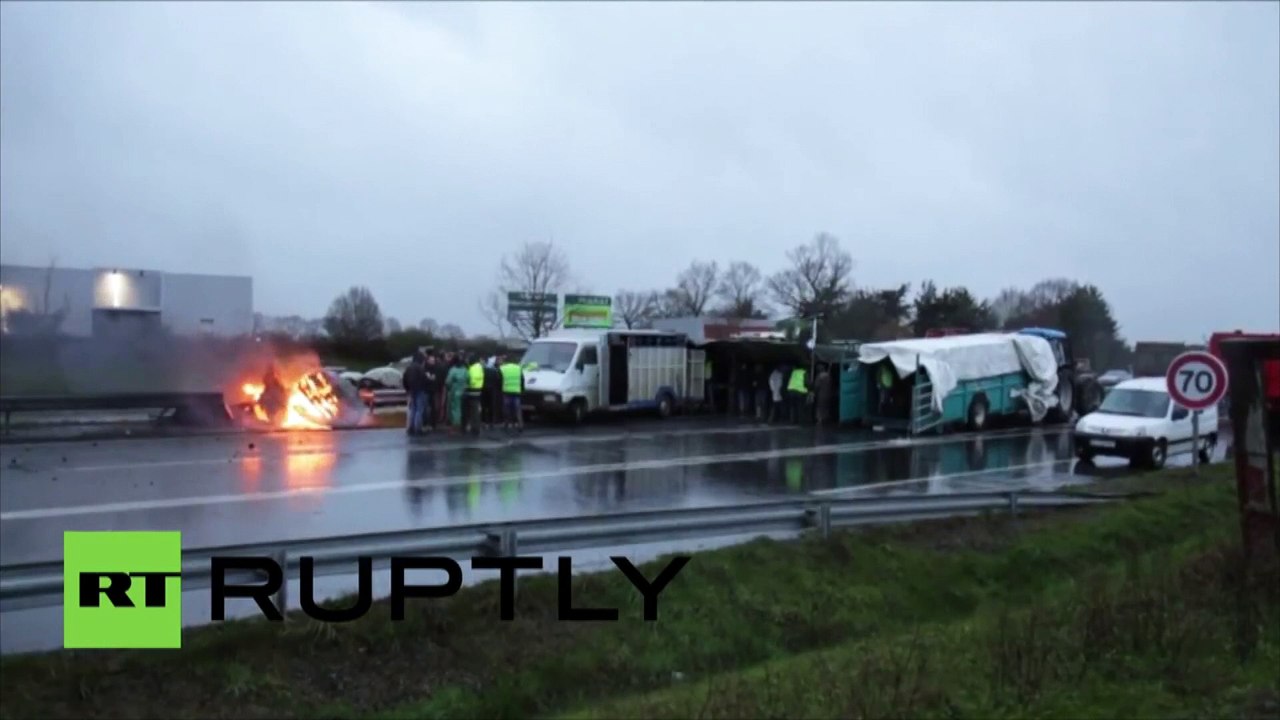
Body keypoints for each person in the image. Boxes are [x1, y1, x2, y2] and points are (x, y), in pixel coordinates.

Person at [401, 352, 428, 435]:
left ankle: (411, 427)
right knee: (419, 410)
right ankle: (418, 429)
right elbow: (424, 379)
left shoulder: (408, 368)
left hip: (411, 391)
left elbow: (404, 379)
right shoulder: (420, 368)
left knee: (413, 409)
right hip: (420, 390)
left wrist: (407, 389)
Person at [499, 354, 525, 432]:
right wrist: (522, 390)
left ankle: (506, 424)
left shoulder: (503, 368)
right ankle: (520, 425)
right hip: (517, 391)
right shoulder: (518, 368)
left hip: (506, 391)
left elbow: (499, 379)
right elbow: (522, 380)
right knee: (517, 410)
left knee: (507, 409)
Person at [445, 356, 467, 431]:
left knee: (455, 408)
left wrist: (449, 387)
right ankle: (463, 423)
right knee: (462, 407)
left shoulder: (453, 370)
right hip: (463, 391)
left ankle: (456, 424)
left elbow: (448, 381)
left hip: (454, 391)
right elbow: (468, 379)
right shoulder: (465, 369)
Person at [465, 354, 485, 435]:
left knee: (473, 410)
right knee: (476, 409)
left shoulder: (472, 368)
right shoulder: (480, 367)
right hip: (479, 390)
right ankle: (476, 426)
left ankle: (475, 427)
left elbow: (471, 380)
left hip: (472, 390)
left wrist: (467, 385)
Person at [422, 352, 440, 432]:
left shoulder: (436, 368)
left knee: (433, 408)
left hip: (434, 390)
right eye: (431, 360)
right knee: (426, 408)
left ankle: (433, 424)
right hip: (426, 390)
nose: (433, 361)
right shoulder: (424, 368)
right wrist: (430, 378)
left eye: (433, 360)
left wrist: (431, 378)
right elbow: (427, 378)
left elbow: (435, 378)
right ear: (427, 360)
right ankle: (425, 424)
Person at [814, 363, 832, 428]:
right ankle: (826, 418)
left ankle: (819, 420)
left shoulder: (819, 376)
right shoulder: (828, 375)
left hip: (821, 394)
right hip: (828, 393)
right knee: (826, 407)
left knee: (819, 407)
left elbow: (816, 386)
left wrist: (814, 392)